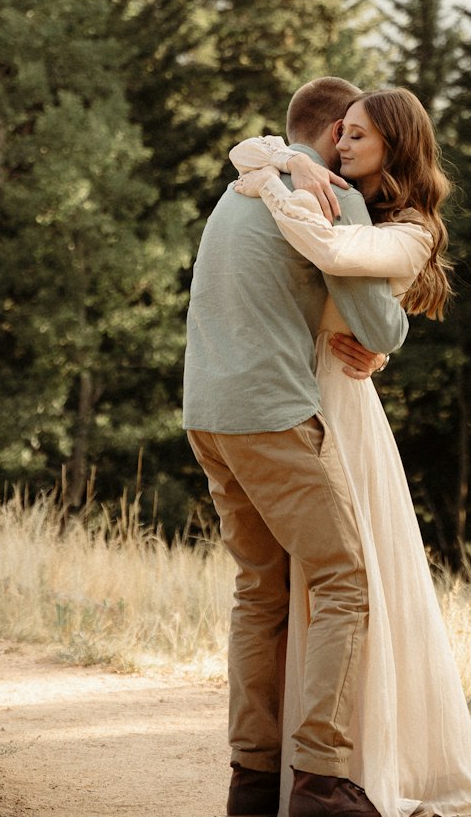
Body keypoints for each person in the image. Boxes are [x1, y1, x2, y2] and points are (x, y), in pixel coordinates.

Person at [230, 87, 471, 817]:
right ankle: (300, 776)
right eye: (339, 134)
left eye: (358, 137)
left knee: (355, 581)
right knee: (305, 590)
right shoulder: (344, 196)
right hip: (301, 391)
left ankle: (359, 769)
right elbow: (249, 150)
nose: (342, 147)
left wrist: (273, 182)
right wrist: (284, 160)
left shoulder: (408, 230)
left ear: (396, 146)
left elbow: (333, 254)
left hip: (339, 408)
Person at [183, 77, 410, 817]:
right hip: (272, 415)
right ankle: (320, 778)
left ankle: (252, 781)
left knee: (261, 591)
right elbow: (381, 329)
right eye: (347, 133)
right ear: (332, 130)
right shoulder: (327, 195)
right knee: (344, 578)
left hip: (206, 414)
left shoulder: (240, 190)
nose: (349, 148)